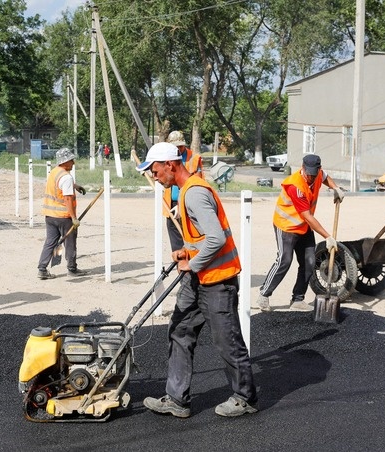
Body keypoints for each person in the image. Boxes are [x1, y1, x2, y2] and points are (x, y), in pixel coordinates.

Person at [138, 142, 257, 418]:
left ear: (170, 165)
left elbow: (217, 238)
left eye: (155, 171)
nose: (154, 177)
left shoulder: (194, 194)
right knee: (180, 329)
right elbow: (202, 239)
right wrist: (186, 250)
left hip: (217, 280)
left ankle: (245, 397)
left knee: (227, 340)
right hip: (198, 279)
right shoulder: (181, 192)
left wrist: (193, 263)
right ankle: (177, 399)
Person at [256, 154, 344, 312]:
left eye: (314, 174)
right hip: (286, 226)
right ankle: (264, 294)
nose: (311, 177)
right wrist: (327, 237)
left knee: (309, 262)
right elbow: (307, 216)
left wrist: (335, 187)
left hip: (303, 226)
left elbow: (325, 177)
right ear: (302, 168)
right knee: (284, 260)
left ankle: (297, 299)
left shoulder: (317, 174)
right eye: (308, 174)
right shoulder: (294, 186)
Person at [36, 148, 88, 279]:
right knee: (70, 242)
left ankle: (42, 269)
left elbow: (58, 185)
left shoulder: (54, 172)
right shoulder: (66, 177)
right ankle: (72, 269)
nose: (73, 163)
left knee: (50, 242)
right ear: (64, 162)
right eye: (71, 160)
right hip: (64, 217)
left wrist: (75, 186)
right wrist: (74, 218)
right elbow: (67, 199)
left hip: (50, 215)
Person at [164, 130, 203, 251]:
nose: (179, 149)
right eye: (175, 147)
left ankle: (192, 267)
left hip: (188, 204)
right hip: (171, 205)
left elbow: (196, 185)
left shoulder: (194, 159)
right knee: (176, 246)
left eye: (181, 146)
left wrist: (182, 205)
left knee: (191, 243)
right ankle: (181, 268)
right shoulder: (166, 158)